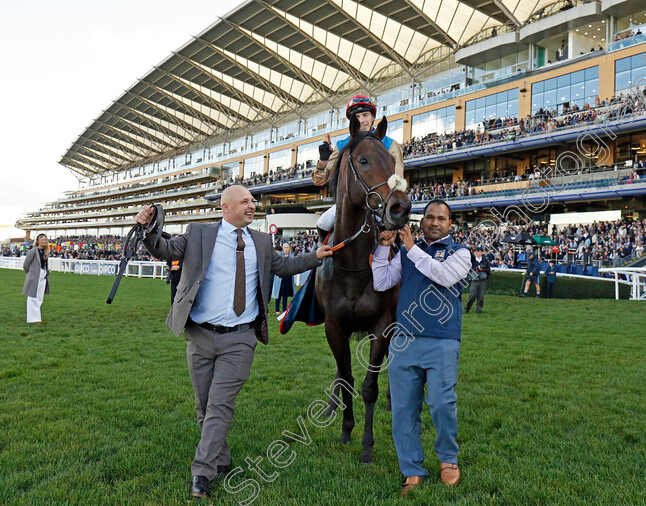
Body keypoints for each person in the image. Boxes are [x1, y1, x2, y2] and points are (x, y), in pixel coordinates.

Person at [134, 185, 333, 499]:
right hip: (199, 335)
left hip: (240, 339)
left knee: (219, 405)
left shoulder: (262, 242)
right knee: (204, 405)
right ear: (226, 207)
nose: (251, 205)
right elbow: (164, 250)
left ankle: (202, 472)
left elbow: (283, 268)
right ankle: (221, 459)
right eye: (245, 201)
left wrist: (315, 257)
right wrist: (147, 229)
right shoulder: (198, 234)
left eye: (252, 201)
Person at [372, 200, 470, 496]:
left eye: (441, 218)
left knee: (442, 403)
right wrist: (383, 248)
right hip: (404, 341)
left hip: (442, 340)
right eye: (429, 217)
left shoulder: (460, 252)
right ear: (422, 220)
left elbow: (444, 276)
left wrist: (411, 248)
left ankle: (448, 459)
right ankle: (411, 469)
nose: (434, 222)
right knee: (403, 410)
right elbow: (381, 282)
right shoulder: (406, 251)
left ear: (450, 224)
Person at [313, 95, 404, 232]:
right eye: (357, 117)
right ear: (351, 122)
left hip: (380, 203)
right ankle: (325, 253)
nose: (362, 121)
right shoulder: (342, 145)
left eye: (365, 115)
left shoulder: (390, 145)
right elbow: (319, 181)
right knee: (322, 223)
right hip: (349, 205)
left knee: (395, 233)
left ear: (373, 117)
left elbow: (398, 180)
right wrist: (323, 161)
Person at [22, 233, 50, 323]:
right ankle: (32, 319)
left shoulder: (45, 252)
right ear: (38, 241)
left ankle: (37, 318)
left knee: (39, 298)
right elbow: (26, 265)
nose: (44, 241)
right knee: (32, 297)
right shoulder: (33, 251)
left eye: (45, 240)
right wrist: (31, 273)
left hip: (43, 275)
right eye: (42, 240)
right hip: (35, 276)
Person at [466, 245, 491, 313]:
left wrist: (484, 269)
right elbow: (469, 268)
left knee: (481, 296)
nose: (476, 253)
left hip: (483, 279)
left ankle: (479, 309)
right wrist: (476, 268)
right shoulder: (472, 260)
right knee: (472, 295)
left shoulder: (485, 260)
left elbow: (488, 269)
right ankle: (467, 308)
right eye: (475, 252)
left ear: (482, 252)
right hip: (474, 279)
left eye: (478, 252)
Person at [275, 243, 295, 315]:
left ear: (289, 248)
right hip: (280, 277)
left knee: (285, 294)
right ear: (283, 248)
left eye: (287, 247)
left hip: (288, 277)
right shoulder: (279, 256)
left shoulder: (292, 256)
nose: (286, 249)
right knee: (279, 294)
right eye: (284, 247)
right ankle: (277, 309)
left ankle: (284, 309)